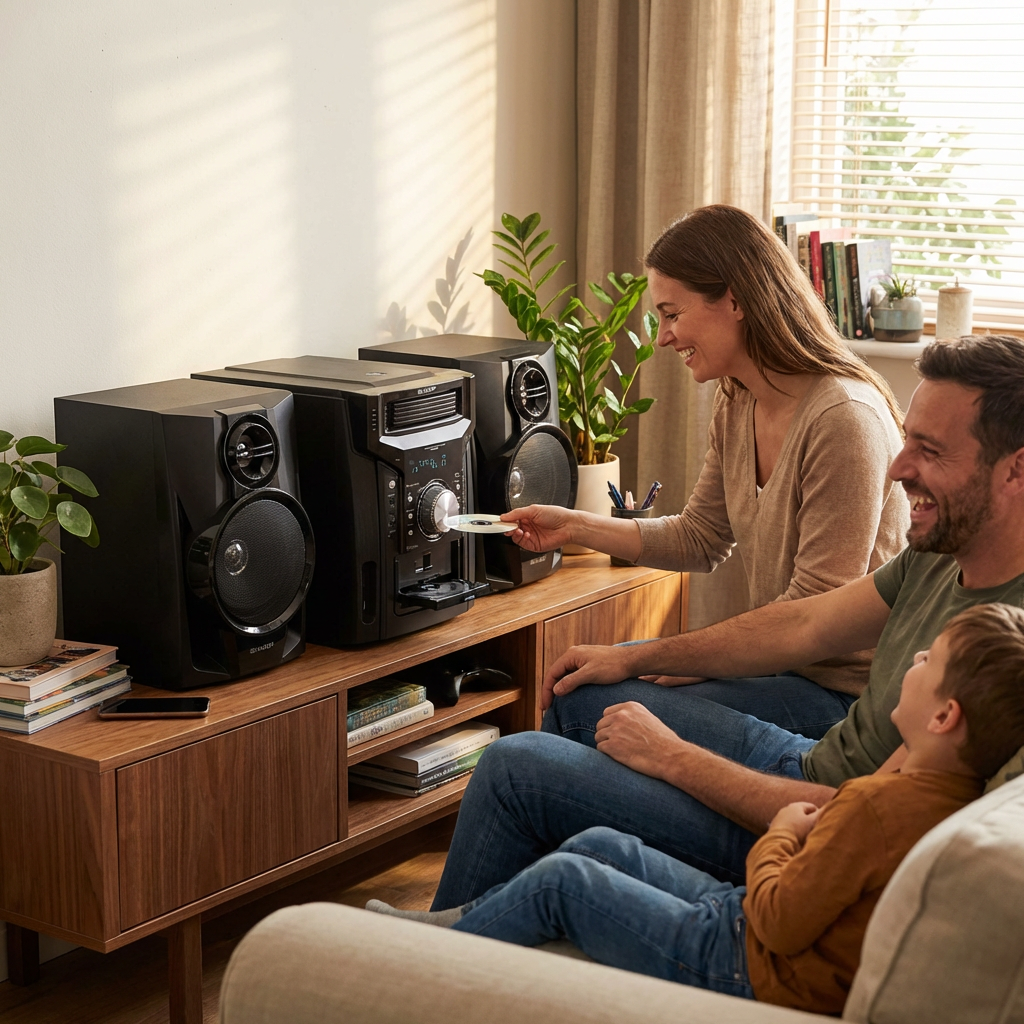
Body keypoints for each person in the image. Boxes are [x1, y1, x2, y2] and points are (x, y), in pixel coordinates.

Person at [425, 333, 1024, 910]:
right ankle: (512, 920)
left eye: (932, 450)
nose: (898, 470)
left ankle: (432, 958)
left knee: (511, 768)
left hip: (803, 825)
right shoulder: (940, 553)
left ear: (1015, 471)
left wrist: (675, 757)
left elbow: (857, 820)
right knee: (585, 693)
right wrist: (635, 655)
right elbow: (805, 625)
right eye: (907, 442)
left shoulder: (1005, 649)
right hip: (809, 760)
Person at [369, 603, 1024, 1015]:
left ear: (944, 715)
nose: (910, 658)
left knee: (568, 879)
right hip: (748, 927)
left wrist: (782, 837)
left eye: (927, 660)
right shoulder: (940, 789)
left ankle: (405, 965)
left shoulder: (884, 809)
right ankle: (452, 927)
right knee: (601, 844)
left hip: (746, 961)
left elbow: (780, 918)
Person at [505, 205, 908, 740]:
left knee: (589, 704)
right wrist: (576, 526)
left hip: (850, 702)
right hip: (784, 671)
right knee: (581, 685)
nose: (663, 337)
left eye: (672, 313)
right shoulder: (738, 398)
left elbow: (810, 620)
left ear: (735, 300)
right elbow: (701, 537)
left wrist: (671, 656)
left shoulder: (844, 420)